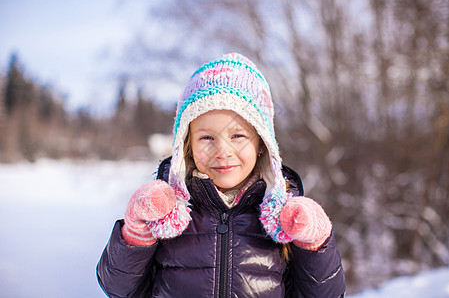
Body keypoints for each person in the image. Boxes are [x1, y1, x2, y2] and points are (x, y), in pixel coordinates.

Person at [97, 53, 346, 297]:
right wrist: (136, 232)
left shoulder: (283, 218)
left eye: (237, 136)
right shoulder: (167, 213)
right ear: (187, 144)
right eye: (207, 138)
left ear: (262, 143)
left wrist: (315, 244)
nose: (222, 151)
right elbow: (121, 290)